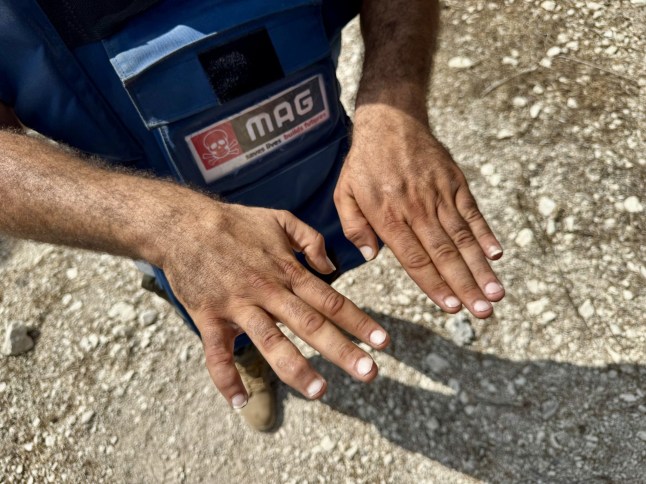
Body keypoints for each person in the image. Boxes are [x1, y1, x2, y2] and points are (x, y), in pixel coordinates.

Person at [0, 0, 505, 432]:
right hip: (164, 213)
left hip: (315, 156)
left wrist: (394, 105)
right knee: (215, 299)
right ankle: (248, 351)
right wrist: (163, 228)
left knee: (318, 259)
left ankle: (306, 295)